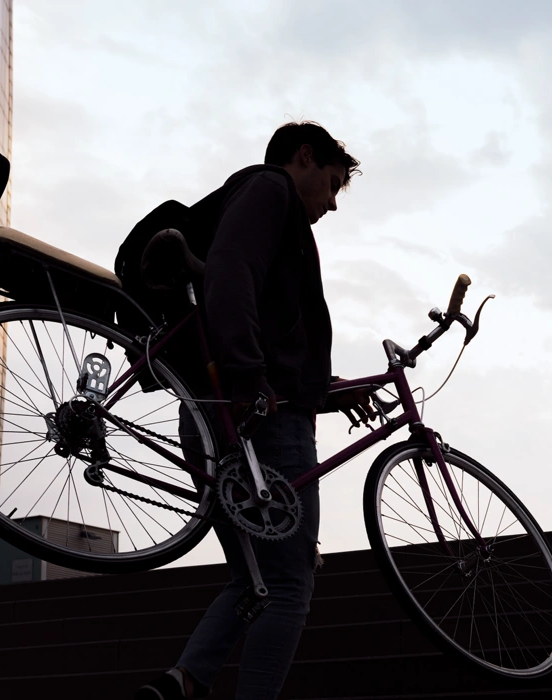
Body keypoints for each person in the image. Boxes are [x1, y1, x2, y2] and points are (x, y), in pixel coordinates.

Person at [135, 121, 365, 700]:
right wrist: (250, 380)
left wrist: (331, 389)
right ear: (305, 156)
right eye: (333, 184)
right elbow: (232, 276)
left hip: (220, 410)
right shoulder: (271, 190)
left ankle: (179, 684)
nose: (333, 204)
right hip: (257, 415)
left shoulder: (269, 205)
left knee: (255, 579)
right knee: (290, 585)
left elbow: (266, 325)